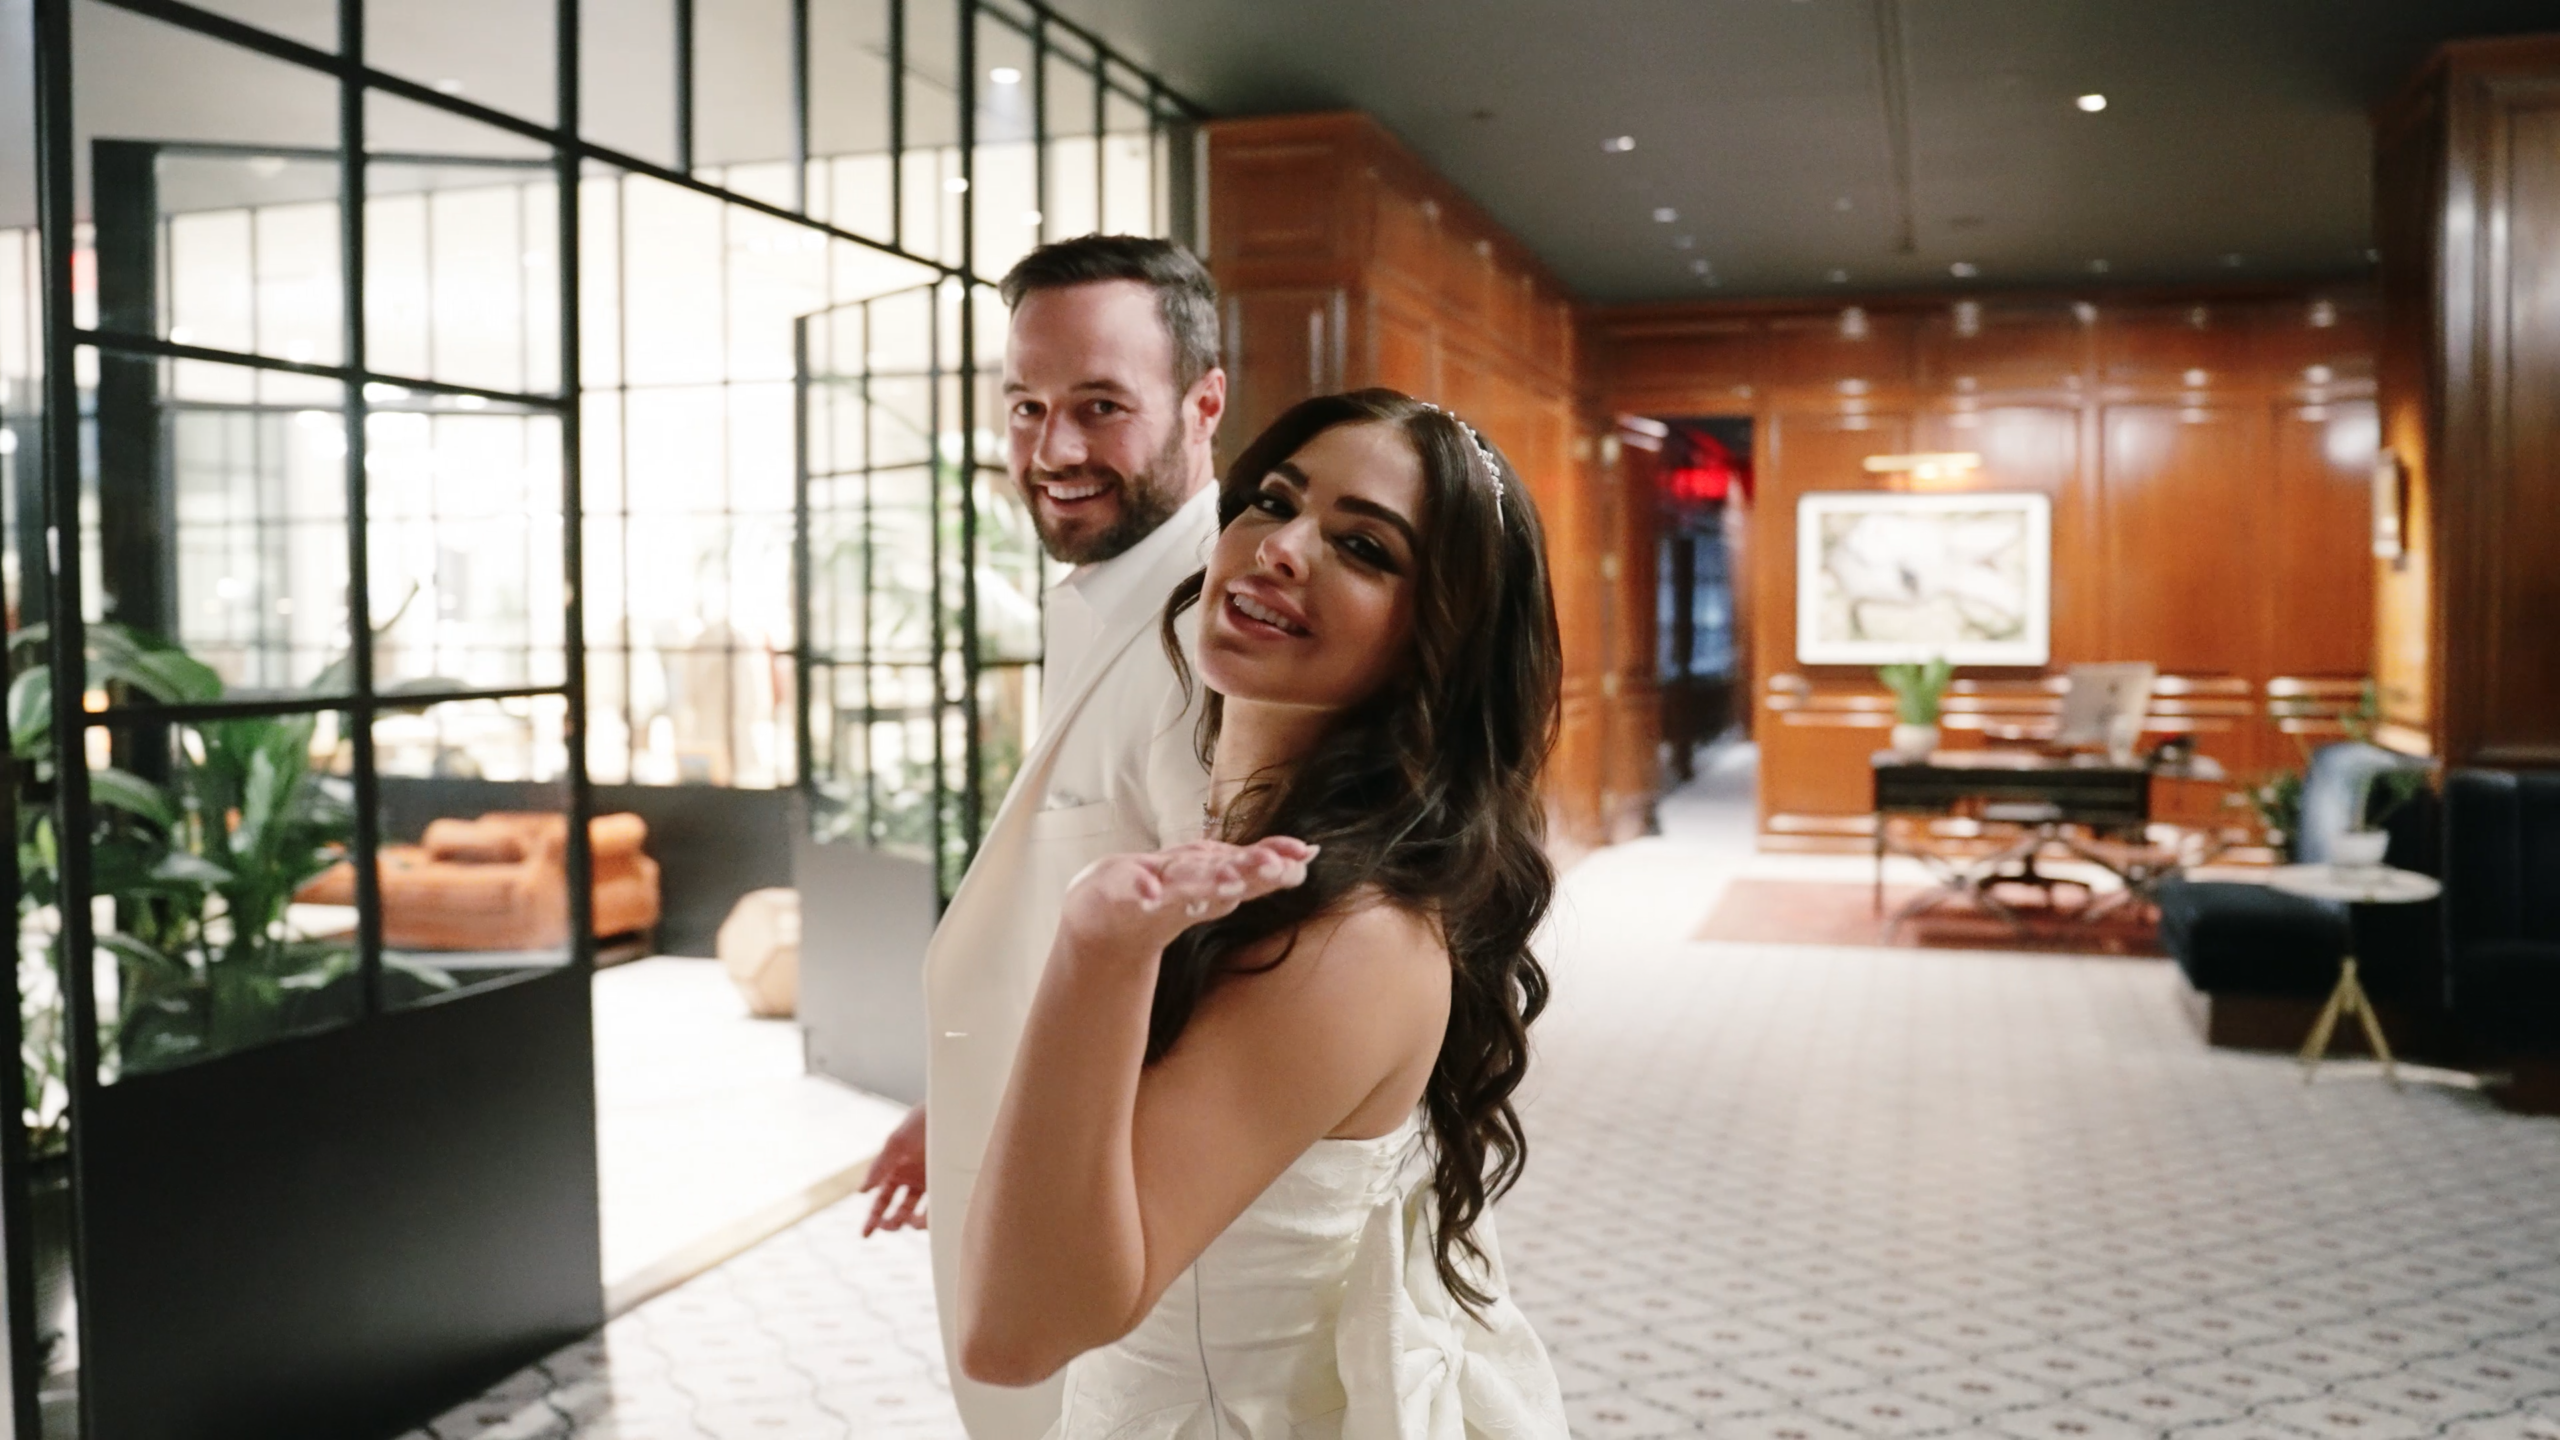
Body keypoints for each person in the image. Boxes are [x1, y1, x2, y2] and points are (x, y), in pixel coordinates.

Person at [955, 390, 1570, 1439]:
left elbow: (1016, 1334)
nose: (1280, 548)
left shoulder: (1345, 938)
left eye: (1364, 548)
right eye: (1272, 501)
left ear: (1441, 638)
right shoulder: (1242, 847)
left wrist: (1097, 954)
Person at [853, 235, 1228, 1440]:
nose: (1053, 452)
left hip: (1130, 1280)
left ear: (1204, 404)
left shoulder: (1219, 635)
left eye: (1101, 407)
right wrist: (962, 1101)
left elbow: (1221, 1001)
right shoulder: (1104, 593)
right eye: (1027, 407)